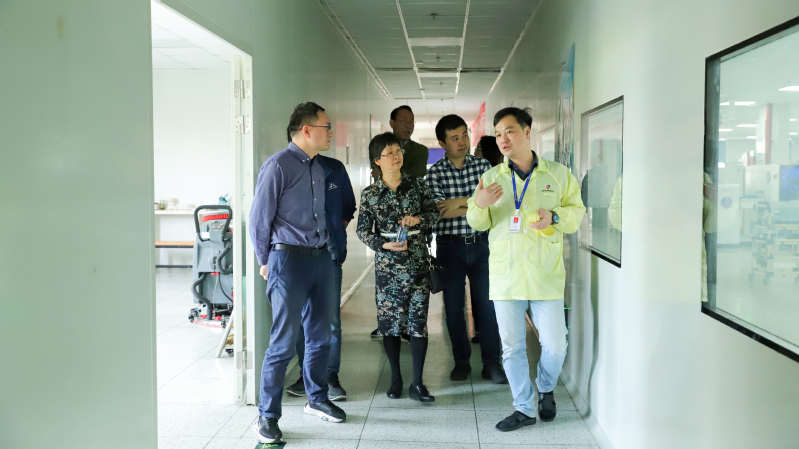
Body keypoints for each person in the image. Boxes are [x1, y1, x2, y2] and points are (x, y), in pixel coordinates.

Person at [466, 107, 585, 432]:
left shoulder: (557, 174)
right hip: (506, 276)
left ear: (527, 131)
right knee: (513, 347)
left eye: (510, 131)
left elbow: (576, 213)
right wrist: (479, 204)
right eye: (498, 133)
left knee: (556, 344)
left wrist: (555, 217)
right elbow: (477, 222)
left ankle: (545, 387)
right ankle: (523, 407)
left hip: (545, 275)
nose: (503, 139)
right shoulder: (492, 177)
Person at [249, 102, 346, 444]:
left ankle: (317, 398)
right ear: (306, 130)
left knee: (320, 337)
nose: (330, 132)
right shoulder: (278, 165)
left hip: (321, 260)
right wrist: (265, 259)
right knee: (283, 342)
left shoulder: (319, 167)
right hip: (287, 261)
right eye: (326, 126)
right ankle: (267, 416)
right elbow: (259, 219)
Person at [357, 132, 440, 402]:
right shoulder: (370, 194)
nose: (396, 156)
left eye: (398, 151)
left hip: (417, 264)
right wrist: (382, 244)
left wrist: (419, 219)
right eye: (389, 153)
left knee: (418, 324)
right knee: (390, 325)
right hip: (388, 269)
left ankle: (417, 384)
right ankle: (395, 380)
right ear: (377, 160)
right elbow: (362, 230)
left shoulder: (417, 185)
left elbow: (434, 213)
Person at [426, 115, 506, 384]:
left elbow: (494, 202)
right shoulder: (434, 173)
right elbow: (440, 211)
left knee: (488, 308)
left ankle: (491, 363)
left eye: (464, 135)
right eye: (454, 138)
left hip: (482, 246)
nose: (462, 142)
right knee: (453, 309)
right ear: (442, 143)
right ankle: (461, 361)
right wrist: (476, 201)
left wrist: (459, 203)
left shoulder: (483, 166)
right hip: (450, 248)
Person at [285, 152, 357, 401]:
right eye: (324, 131)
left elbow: (348, 206)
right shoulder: (284, 167)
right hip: (294, 256)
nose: (329, 134)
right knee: (299, 319)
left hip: (329, 254)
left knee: (331, 320)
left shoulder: (334, 168)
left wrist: (333, 231)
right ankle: (306, 375)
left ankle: (329, 376)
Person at [370, 105, 430, 339]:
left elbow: (412, 177)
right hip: (389, 251)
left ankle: (410, 330)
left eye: (412, 121)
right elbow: (364, 229)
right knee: (389, 303)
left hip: (414, 244)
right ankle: (392, 327)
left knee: (417, 300)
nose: (409, 125)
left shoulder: (419, 152)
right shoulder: (371, 193)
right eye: (404, 120)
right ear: (392, 122)